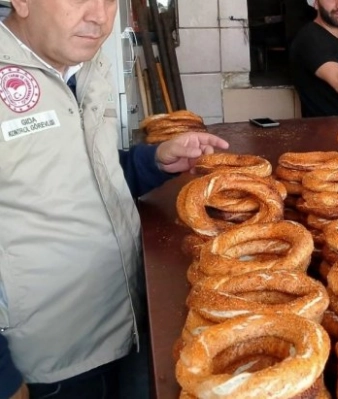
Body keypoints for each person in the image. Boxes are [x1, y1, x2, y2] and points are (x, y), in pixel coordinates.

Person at [0, 1, 229, 398]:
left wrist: (154, 160)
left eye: (109, 0)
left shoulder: (85, 66)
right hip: (51, 361)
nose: (99, 16)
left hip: (127, 324)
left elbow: (88, 173)